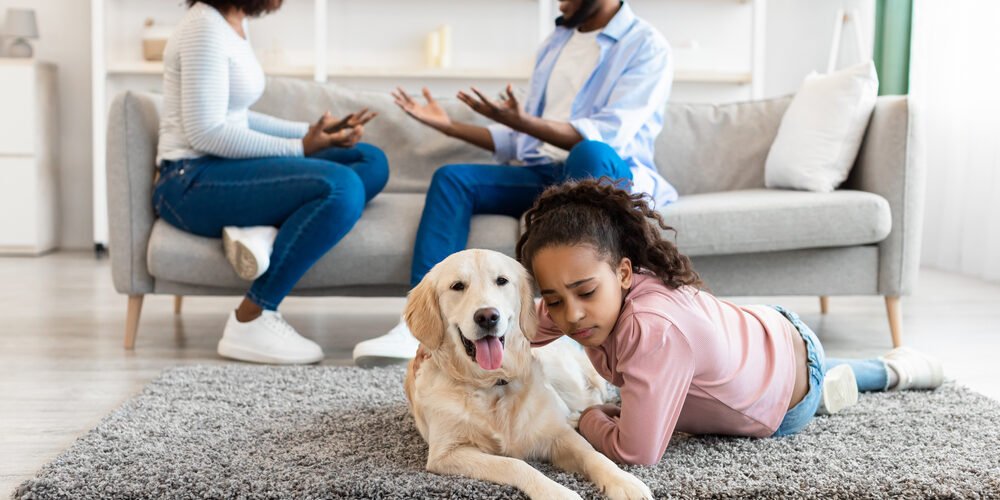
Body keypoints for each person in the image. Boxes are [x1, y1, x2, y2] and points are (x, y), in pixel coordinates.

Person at [515, 179, 944, 466]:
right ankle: (882, 367)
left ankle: (879, 376)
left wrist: (591, 417)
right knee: (818, 369)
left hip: (784, 404)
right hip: (768, 334)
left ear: (623, 273)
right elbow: (520, 326)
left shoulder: (654, 331)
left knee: (815, 382)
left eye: (585, 293)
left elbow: (638, 453)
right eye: (553, 298)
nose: (570, 314)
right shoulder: (599, 295)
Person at [354, 0, 677, 365]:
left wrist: (522, 122)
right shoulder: (556, 44)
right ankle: (419, 324)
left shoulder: (646, 45)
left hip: (600, 168)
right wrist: (448, 126)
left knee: (590, 151)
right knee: (453, 178)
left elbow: (609, 134)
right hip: (543, 171)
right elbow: (522, 138)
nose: (559, 2)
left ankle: (605, 319)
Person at [155, 0, 389, 364]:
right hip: (189, 183)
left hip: (225, 169)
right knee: (342, 188)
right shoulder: (203, 27)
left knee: (370, 160)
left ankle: (261, 234)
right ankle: (253, 316)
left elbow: (238, 117)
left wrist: (314, 134)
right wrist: (300, 147)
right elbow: (207, 133)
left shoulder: (232, 23)